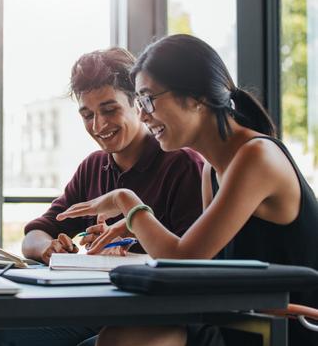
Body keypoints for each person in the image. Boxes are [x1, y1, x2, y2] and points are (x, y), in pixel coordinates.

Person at [57, 34, 318, 346]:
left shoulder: (256, 157)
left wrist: (126, 202)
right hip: (242, 320)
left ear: (196, 97)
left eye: (149, 99)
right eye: (139, 102)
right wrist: (133, 225)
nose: (142, 114)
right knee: (116, 337)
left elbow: (182, 259)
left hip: (286, 328)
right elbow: (199, 267)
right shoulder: (213, 169)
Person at [0, 47, 204, 346]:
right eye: (87, 115)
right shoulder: (94, 166)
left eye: (110, 110)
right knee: (2, 341)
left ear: (139, 104)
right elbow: (35, 233)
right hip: (97, 310)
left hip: (155, 316)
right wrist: (49, 249)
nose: (98, 126)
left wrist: (127, 253)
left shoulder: (182, 164)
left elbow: (190, 263)